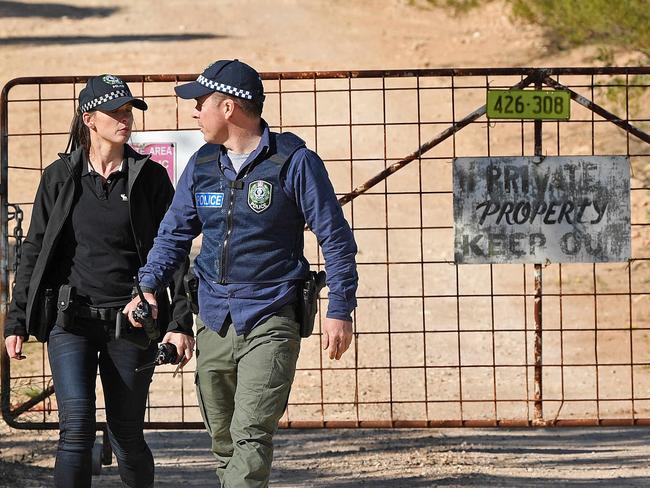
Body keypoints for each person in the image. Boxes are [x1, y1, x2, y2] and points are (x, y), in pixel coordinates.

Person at [123, 59, 358, 487]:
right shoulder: (202, 166)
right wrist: (148, 286)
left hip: (271, 316)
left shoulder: (295, 162)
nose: (194, 112)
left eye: (200, 102)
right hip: (213, 319)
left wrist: (340, 307)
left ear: (228, 107)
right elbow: (173, 236)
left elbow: (336, 239)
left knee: (250, 436)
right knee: (223, 441)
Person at [3, 74, 195, 488]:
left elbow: (175, 254)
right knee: (75, 431)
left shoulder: (150, 178)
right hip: (70, 322)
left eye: (129, 110)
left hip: (131, 324)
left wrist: (180, 323)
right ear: (89, 118)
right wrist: (17, 319)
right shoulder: (59, 177)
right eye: (116, 111)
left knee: (126, 435)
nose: (125, 118)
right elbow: (34, 250)